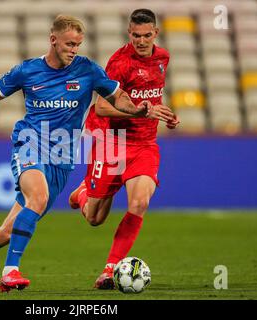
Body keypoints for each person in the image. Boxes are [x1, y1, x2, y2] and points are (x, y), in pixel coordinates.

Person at [0, 14, 175, 293]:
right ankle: (10, 272)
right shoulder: (27, 70)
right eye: (69, 44)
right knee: (38, 196)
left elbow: (116, 96)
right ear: (53, 40)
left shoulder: (88, 70)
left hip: (62, 155)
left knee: (7, 232)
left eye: (78, 45)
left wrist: (139, 108)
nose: (74, 50)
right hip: (30, 142)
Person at [68, 9, 180, 290]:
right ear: (129, 33)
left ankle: (109, 270)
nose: (141, 41)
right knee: (95, 219)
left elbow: (151, 97)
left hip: (144, 145)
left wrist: (165, 115)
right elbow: (103, 106)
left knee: (140, 202)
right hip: (112, 142)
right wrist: (141, 114)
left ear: (155, 33)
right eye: (135, 35)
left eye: (146, 35)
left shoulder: (163, 58)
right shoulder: (119, 63)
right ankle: (83, 194)